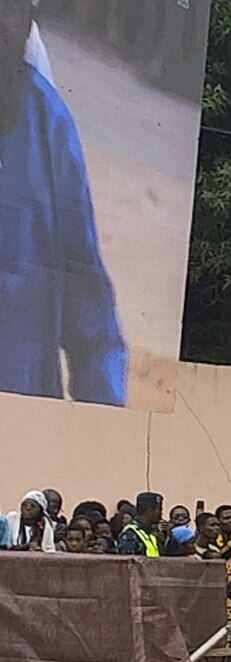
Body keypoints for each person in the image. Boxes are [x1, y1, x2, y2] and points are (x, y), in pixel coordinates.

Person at [0, 2, 130, 404]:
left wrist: (106, 422)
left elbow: (91, 316)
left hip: (23, 419)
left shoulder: (49, 127)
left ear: (28, 20)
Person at [116, 492, 164, 556]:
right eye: (159, 510)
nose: (161, 513)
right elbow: (128, 560)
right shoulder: (130, 533)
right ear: (149, 510)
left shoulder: (149, 533)